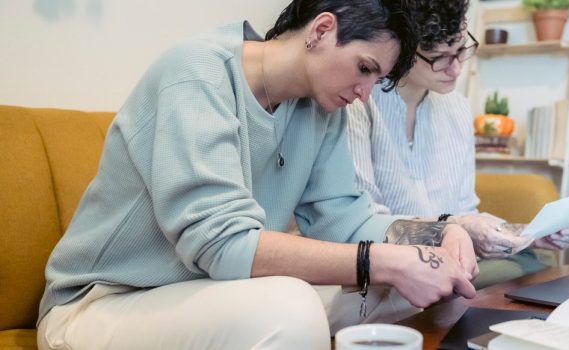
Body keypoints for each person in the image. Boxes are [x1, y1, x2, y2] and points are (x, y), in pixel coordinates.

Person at [37, 1, 480, 349]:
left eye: (376, 79)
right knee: (293, 307)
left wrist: (437, 234)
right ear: (321, 30)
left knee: (416, 281)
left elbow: (347, 221)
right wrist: (380, 260)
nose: (365, 94)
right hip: (100, 307)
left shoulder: (321, 110)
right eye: (365, 68)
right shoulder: (196, 71)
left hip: (212, 295)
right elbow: (220, 244)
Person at [346, 0, 569, 290]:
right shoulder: (357, 100)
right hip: (394, 265)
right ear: (402, 49)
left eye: (461, 50)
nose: (455, 69)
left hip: (456, 259)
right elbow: (360, 224)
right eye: (440, 57)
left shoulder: (456, 108)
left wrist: (525, 234)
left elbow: (466, 211)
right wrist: (454, 229)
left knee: (535, 263)